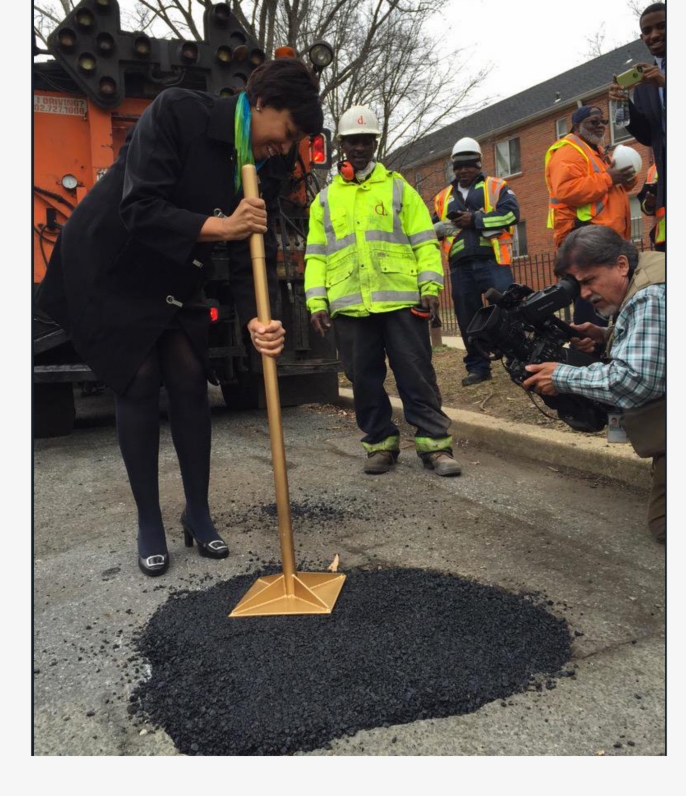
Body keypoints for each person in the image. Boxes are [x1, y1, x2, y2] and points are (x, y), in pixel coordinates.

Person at [36, 59, 324, 576]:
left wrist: (259, 318)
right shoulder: (178, 113)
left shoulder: (264, 164)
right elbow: (140, 208)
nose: (287, 145)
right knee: (139, 378)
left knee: (190, 375)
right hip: (112, 262)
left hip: (172, 268)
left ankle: (199, 513)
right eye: (288, 130)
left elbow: (246, 249)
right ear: (260, 104)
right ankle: (149, 520)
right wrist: (223, 225)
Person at [304, 105, 461, 477]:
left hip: (401, 300)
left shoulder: (398, 189)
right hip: (350, 306)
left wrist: (430, 283)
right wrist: (316, 301)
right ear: (342, 145)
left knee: (415, 373)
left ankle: (435, 447)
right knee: (364, 379)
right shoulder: (324, 201)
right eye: (352, 142)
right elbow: (316, 256)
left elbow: (424, 240)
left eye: (366, 141)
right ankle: (380, 445)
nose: (359, 148)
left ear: (375, 143)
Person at [523, 227, 666, 542]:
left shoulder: (649, 295)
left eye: (588, 281)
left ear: (620, 265)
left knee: (664, 525)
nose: (584, 294)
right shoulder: (648, 270)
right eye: (579, 286)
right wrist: (605, 336)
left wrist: (560, 376)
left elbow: (636, 380)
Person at [431, 137, 520, 385]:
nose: (463, 171)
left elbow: (512, 214)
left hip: (493, 260)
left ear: (479, 164)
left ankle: (517, 358)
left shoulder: (496, 186)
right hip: (460, 267)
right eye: (458, 167)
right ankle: (478, 367)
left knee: (507, 311)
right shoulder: (443, 197)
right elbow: (428, 228)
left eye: (468, 165)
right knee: (467, 318)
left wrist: (476, 221)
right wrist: (439, 228)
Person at [544, 105, 638, 325]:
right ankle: (589, 354)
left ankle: (606, 351)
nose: (600, 126)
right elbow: (566, 190)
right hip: (583, 238)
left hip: (604, 240)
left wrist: (625, 178)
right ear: (577, 126)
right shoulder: (567, 150)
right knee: (592, 300)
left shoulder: (597, 153)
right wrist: (609, 178)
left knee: (609, 302)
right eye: (593, 122)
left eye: (603, 122)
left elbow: (609, 190)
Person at [610, 2, 666, 251]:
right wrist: (625, 104)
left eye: (662, 26)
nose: (653, 35)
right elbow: (648, 135)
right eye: (647, 31)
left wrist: (665, 83)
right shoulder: (644, 83)